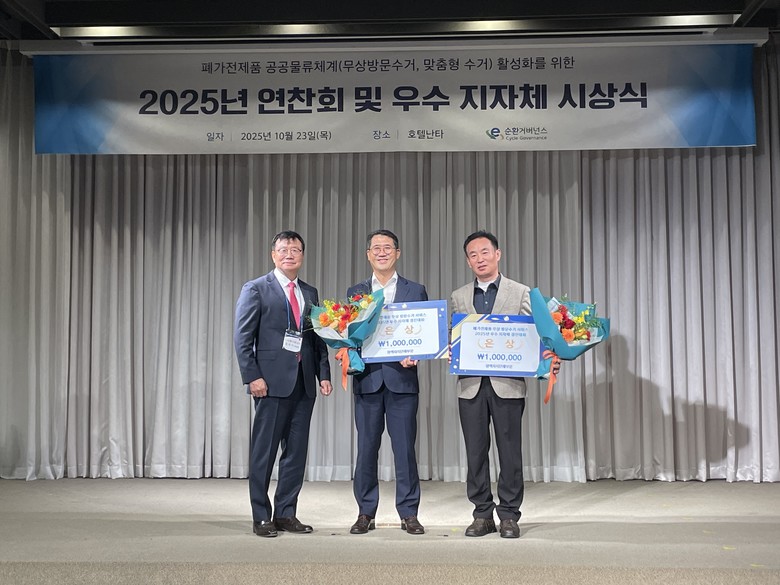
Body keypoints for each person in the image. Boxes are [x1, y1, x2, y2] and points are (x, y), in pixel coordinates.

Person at [450, 230, 558, 539]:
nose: (480, 259)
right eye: (473, 255)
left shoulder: (521, 292)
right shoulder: (459, 296)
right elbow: (452, 337)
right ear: (468, 261)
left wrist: (549, 357)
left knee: (509, 452)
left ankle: (509, 515)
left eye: (485, 252)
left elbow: (536, 334)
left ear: (498, 254)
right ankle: (482, 514)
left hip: (507, 384)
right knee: (475, 453)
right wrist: (451, 350)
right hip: (470, 385)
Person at [234, 230, 333, 538]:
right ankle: (261, 516)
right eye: (283, 249)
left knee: (296, 453)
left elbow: (316, 337)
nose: (289, 254)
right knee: (263, 453)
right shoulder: (256, 289)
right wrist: (252, 376)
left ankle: (286, 513)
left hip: (304, 383)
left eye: (295, 250)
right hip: (269, 383)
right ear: (273, 255)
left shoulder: (310, 292)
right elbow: (242, 337)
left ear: (302, 255)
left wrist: (324, 373)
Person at [346, 229, 428, 535]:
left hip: (402, 382)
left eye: (388, 247)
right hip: (367, 381)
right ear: (368, 255)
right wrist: (347, 352)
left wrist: (416, 354)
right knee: (366, 450)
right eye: (376, 248)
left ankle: (409, 513)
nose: (382, 252)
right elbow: (351, 335)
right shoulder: (356, 292)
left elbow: (422, 333)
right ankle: (365, 512)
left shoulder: (415, 290)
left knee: (405, 451)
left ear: (398, 253)